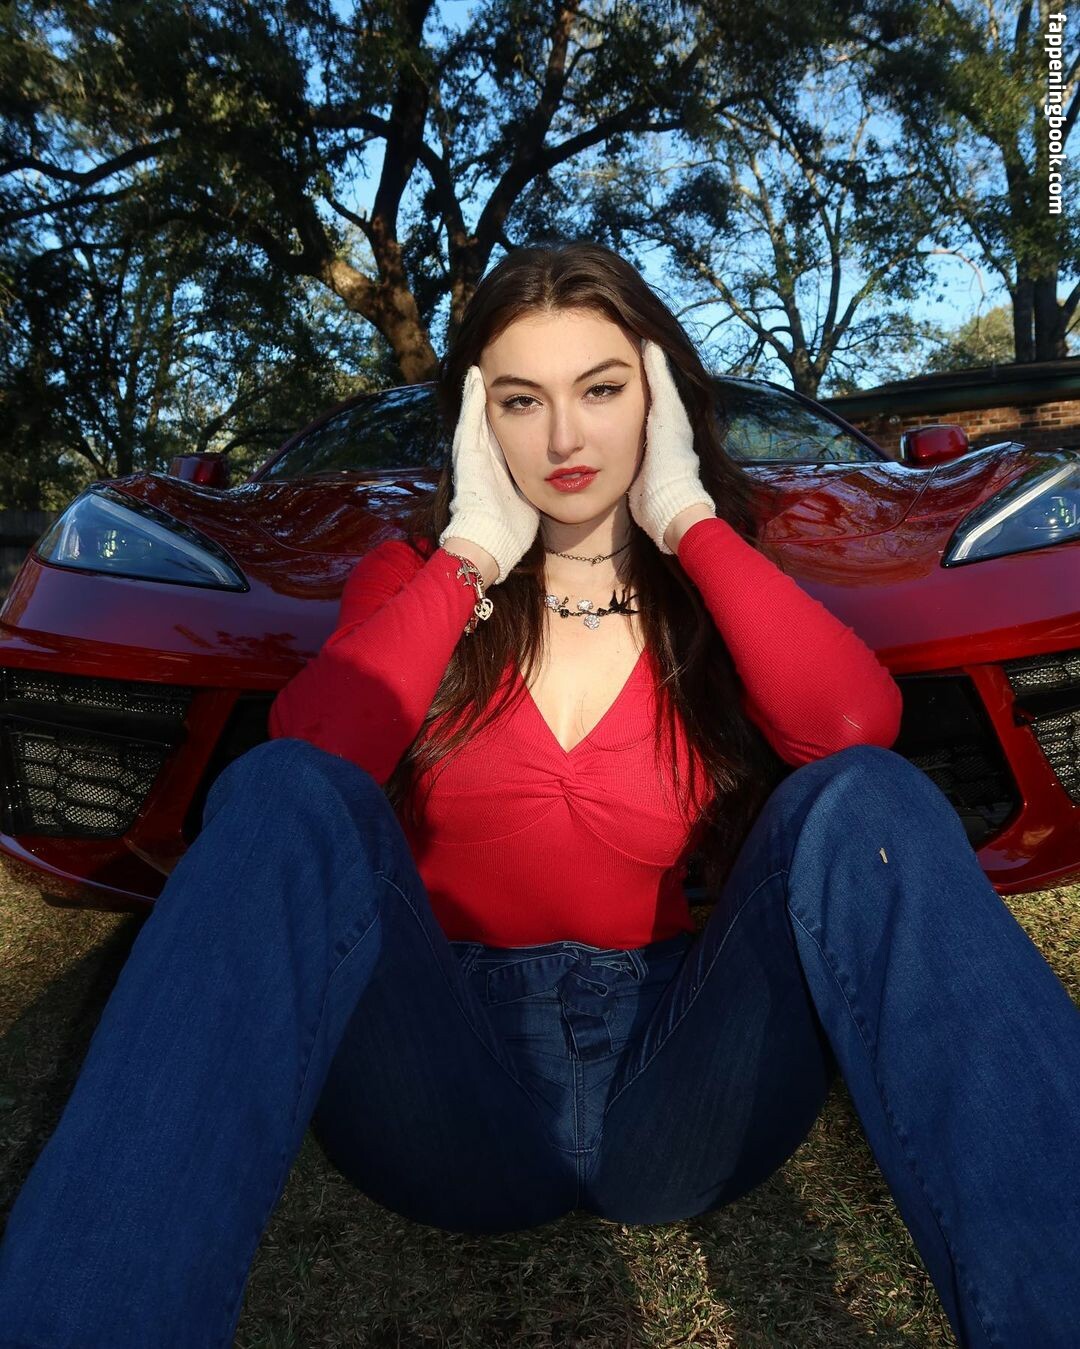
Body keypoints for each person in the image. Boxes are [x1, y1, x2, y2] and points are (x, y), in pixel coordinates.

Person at [0, 240, 1077, 1349]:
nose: (564, 438)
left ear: (658, 398)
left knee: (867, 800)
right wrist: (471, 551)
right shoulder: (414, 575)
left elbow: (852, 725)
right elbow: (317, 751)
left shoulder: (720, 577)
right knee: (282, 787)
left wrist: (685, 518)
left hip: (684, 1084)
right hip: (442, 1083)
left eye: (601, 390)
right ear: (479, 421)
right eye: (521, 400)